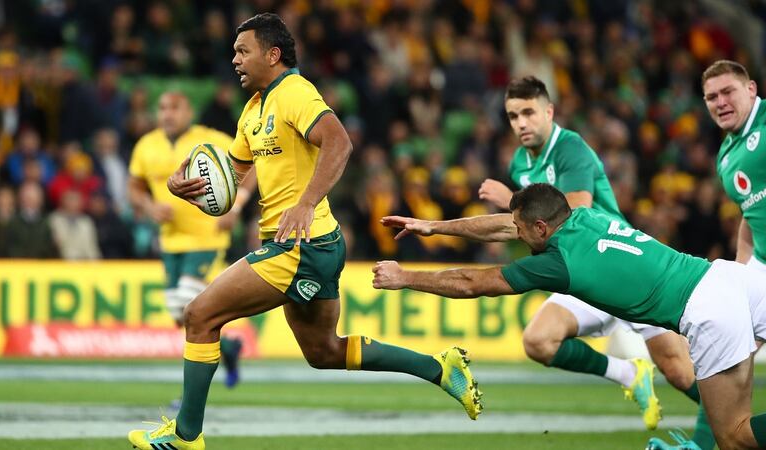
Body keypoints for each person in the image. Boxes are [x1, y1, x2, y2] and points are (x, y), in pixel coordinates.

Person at [128, 13, 481, 450]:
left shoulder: (294, 92)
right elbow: (233, 176)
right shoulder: (255, 108)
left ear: (272, 54)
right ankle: (440, 368)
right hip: (313, 244)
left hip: (301, 243)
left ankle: (186, 436)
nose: (234, 59)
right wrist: (187, 191)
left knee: (200, 316)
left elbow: (340, 142)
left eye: (243, 51)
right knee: (324, 353)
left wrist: (307, 202)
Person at [374, 183, 766, 450]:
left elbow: (471, 283)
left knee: (734, 436)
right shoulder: (585, 216)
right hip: (730, 277)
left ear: (542, 229)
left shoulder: (557, 263)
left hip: (706, 311)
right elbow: (503, 225)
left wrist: (405, 276)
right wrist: (435, 227)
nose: (515, 237)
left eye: (523, 232)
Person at [471, 76, 709, 442]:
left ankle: (733, 427)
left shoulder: (570, 149)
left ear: (549, 112)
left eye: (528, 113)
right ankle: (628, 374)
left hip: (623, 267)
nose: (520, 123)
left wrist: (509, 199)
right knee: (538, 341)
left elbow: (574, 214)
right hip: (579, 273)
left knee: (679, 372)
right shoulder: (520, 161)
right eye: (513, 115)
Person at [128, 91, 252, 393]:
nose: (167, 113)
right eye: (162, 108)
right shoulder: (147, 145)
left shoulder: (211, 140)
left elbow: (252, 167)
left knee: (190, 304)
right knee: (179, 315)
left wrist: (236, 206)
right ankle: (229, 349)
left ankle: (189, 396)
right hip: (170, 241)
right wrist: (148, 207)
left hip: (206, 237)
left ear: (189, 111)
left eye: (174, 108)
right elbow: (134, 187)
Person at [702, 60, 766, 293]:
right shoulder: (725, 157)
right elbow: (751, 211)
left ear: (751, 89)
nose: (721, 102)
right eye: (712, 97)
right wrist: (742, 268)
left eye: (728, 91)